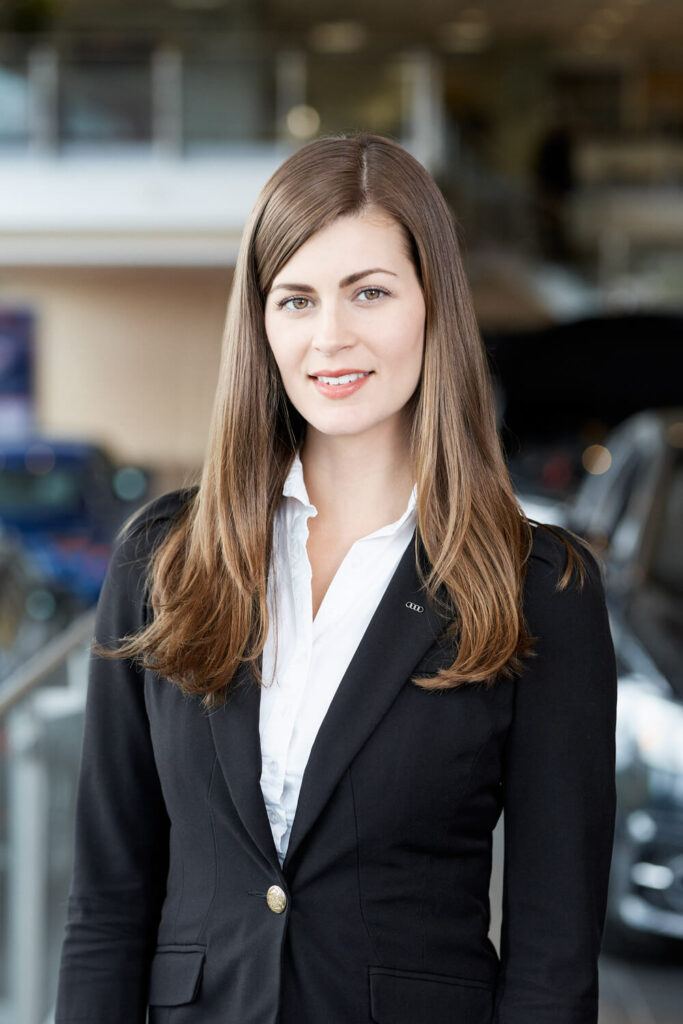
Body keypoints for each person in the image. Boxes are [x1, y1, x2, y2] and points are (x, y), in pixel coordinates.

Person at [55, 132, 617, 1024]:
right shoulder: (163, 559)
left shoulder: (537, 588)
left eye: (369, 292)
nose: (330, 337)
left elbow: (553, 957)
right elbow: (107, 905)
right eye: (296, 298)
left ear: (433, 303)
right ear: (261, 321)